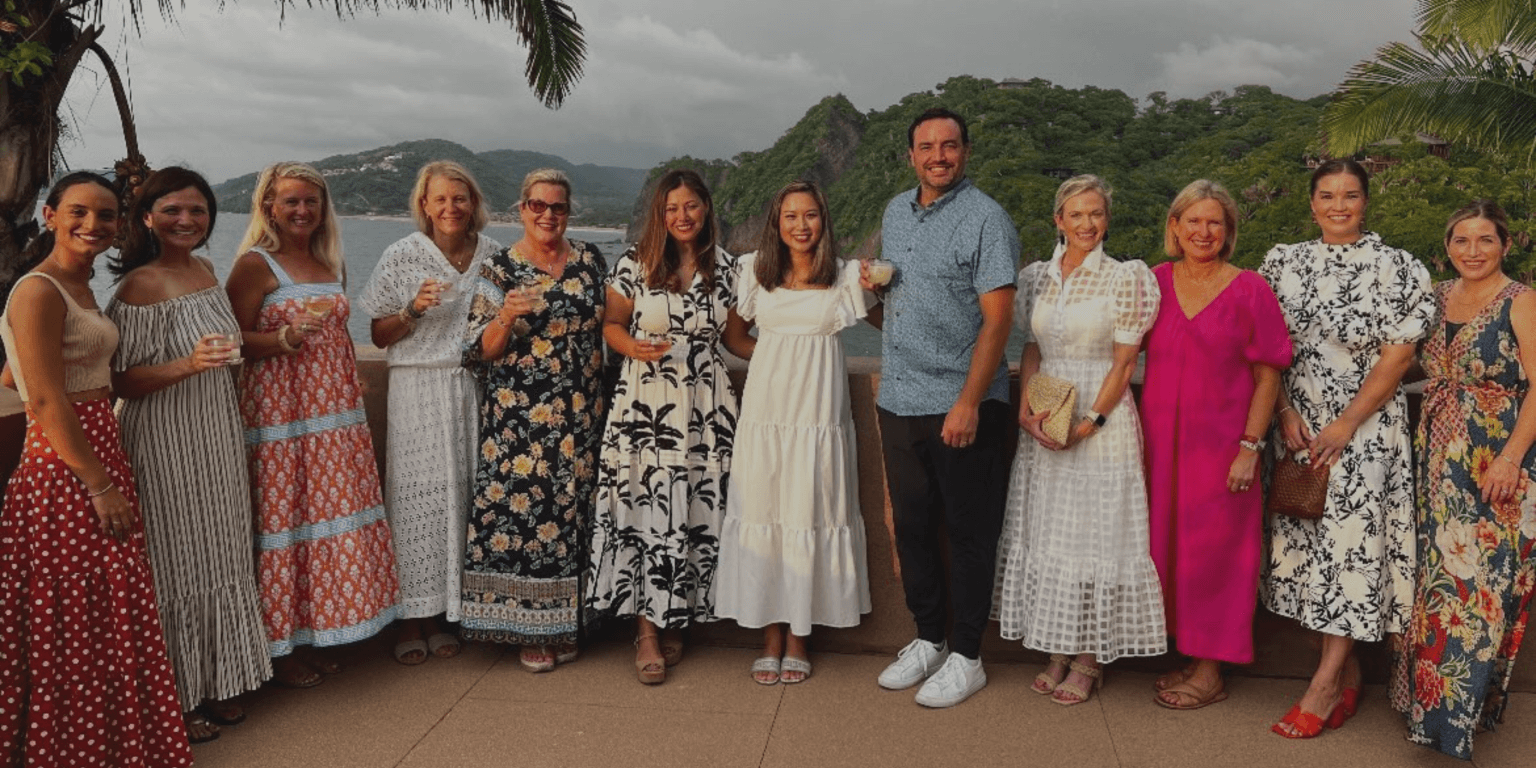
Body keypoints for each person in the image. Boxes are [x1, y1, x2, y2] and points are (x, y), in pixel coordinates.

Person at [0, 172, 194, 765]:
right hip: (68, 467)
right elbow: (43, 398)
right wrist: (100, 484)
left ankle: (110, 739)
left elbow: (13, 373)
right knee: (72, 609)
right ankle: (69, 747)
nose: (93, 225)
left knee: (103, 604)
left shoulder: (79, 286)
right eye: (79, 212)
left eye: (106, 216)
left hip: (96, 451)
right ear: (50, 215)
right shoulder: (39, 290)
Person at [1260, 158, 1432, 738]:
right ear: (1312, 203)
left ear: (1366, 202)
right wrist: (1284, 411)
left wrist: (1345, 424)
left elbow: (1398, 357)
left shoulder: (1396, 267)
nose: (1339, 205)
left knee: (1349, 552)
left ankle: (1325, 684)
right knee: (1304, 550)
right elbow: (1265, 348)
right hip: (1296, 429)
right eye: (1328, 195)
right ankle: (1348, 670)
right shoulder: (1281, 263)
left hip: (1366, 431)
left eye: (1350, 195)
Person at [106, 166, 272, 742]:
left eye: (197, 210)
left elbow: (233, 346)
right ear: (147, 218)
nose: (186, 220)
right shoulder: (138, 287)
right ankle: (174, 697)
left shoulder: (205, 270)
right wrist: (189, 364)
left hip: (216, 434)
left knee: (221, 554)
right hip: (164, 440)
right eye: (172, 210)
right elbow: (120, 381)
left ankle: (220, 679)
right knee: (175, 564)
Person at [862, 107, 1017, 708]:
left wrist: (969, 402)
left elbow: (998, 321)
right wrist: (870, 295)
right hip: (900, 398)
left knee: (970, 532)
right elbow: (896, 310)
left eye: (948, 146)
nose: (938, 156)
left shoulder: (987, 219)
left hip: (961, 403)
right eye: (926, 147)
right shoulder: (895, 211)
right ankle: (929, 638)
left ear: (965, 151)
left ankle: (968, 655)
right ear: (911, 156)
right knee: (913, 527)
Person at [226, 161, 400, 688]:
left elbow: (338, 336)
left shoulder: (327, 262)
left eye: (311, 201)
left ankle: (320, 633)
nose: (302, 210)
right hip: (281, 416)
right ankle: (281, 649)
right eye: (291, 201)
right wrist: (283, 338)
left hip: (334, 416)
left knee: (326, 519)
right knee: (285, 523)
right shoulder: (254, 266)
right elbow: (233, 342)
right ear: (270, 208)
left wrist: (349, 378)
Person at [996, 174, 1164, 707]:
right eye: (1077, 214)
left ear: (1107, 220)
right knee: (1050, 531)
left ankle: (1089, 657)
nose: (1087, 223)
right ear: (1059, 221)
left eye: (1096, 213)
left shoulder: (1125, 277)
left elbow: (1125, 362)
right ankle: (1057, 648)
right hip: (1049, 412)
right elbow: (1033, 347)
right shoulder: (1036, 278)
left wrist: (1090, 422)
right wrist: (1027, 406)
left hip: (1101, 419)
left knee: (1096, 537)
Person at [584, 169, 743, 684]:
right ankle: (647, 631)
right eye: (672, 208)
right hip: (645, 406)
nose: (682, 216)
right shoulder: (636, 262)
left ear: (706, 208)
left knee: (694, 509)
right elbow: (611, 324)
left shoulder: (729, 268)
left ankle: (679, 615)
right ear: (660, 214)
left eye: (691, 205)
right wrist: (631, 347)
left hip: (705, 408)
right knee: (644, 509)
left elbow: (736, 339)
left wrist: (795, 352)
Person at [1140, 180, 1292, 710]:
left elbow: (1269, 373)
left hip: (1223, 446)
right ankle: (1192, 654)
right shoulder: (1154, 283)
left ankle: (1211, 672)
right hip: (1160, 445)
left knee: (1219, 555)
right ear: (1175, 227)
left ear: (1228, 232)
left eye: (1215, 223)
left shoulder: (1250, 288)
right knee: (1171, 549)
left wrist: (1250, 446)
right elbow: (1110, 349)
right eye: (1193, 221)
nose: (1203, 232)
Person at [714, 180, 872, 685]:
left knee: (811, 510)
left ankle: (800, 636)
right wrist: (777, 359)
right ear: (776, 223)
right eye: (790, 216)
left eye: (810, 215)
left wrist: (882, 285)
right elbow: (734, 336)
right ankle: (770, 636)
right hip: (767, 413)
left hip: (819, 417)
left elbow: (892, 323)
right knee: (765, 510)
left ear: (823, 220)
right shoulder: (754, 271)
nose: (801, 225)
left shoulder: (844, 276)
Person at [1398, 201, 1535, 760]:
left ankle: (1456, 724)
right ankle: (1430, 714)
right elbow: (1409, 364)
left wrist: (1510, 459)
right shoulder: (1433, 298)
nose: (1472, 251)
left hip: (1497, 462)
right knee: (1436, 586)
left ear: (1505, 244)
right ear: (1447, 247)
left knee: (1482, 593)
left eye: (1485, 240)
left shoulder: (1521, 301)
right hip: (1437, 459)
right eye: (1461, 240)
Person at [461, 168, 606, 672]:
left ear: (568, 211)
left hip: (582, 414)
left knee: (575, 517)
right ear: (522, 209)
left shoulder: (590, 259)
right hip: (520, 420)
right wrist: (505, 316)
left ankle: (571, 624)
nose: (548, 215)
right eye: (538, 205)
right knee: (525, 518)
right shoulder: (500, 268)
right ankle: (530, 628)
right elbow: (476, 350)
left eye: (558, 207)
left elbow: (612, 321)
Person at [357, 161, 501, 665]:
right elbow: (378, 335)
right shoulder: (402, 255)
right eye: (440, 198)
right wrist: (413, 309)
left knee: (465, 498)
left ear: (473, 202)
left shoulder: (493, 255)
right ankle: (411, 617)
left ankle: (450, 612)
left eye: (459, 198)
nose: (450, 207)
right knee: (416, 500)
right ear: (424, 204)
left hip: (469, 387)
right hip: (416, 389)